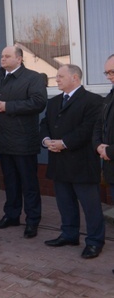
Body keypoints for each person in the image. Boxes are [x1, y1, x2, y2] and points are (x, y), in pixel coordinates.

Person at [41, 64, 104, 259]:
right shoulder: (54, 102)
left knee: (90, 205)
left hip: (82, 163)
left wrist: (64, 143)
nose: (56, 79)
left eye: (60, 76)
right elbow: (45, 124)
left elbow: (88, 129)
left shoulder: (93, 100)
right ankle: (69, 234)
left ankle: (95, 241)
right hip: (59, 162)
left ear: (75, 78)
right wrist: (46, 140)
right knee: (65, 202)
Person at [0, 46, 47, 238]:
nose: (2, 59)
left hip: (24, 140)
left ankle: (32, 220)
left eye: (7, 56)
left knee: (28, 183)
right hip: (3, 140)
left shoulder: (32, 78)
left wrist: (7, 106)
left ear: (19, 59)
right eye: (2, 55)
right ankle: (11, 215)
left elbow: (39, 102)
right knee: (10, 181)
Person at [94, 54, 114, 274]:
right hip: (110, 166)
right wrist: (99, 146)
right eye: (107, 72)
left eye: (113, 72)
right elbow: (99, 124)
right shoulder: (109, 96)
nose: (109, 77)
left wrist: (109, 150)